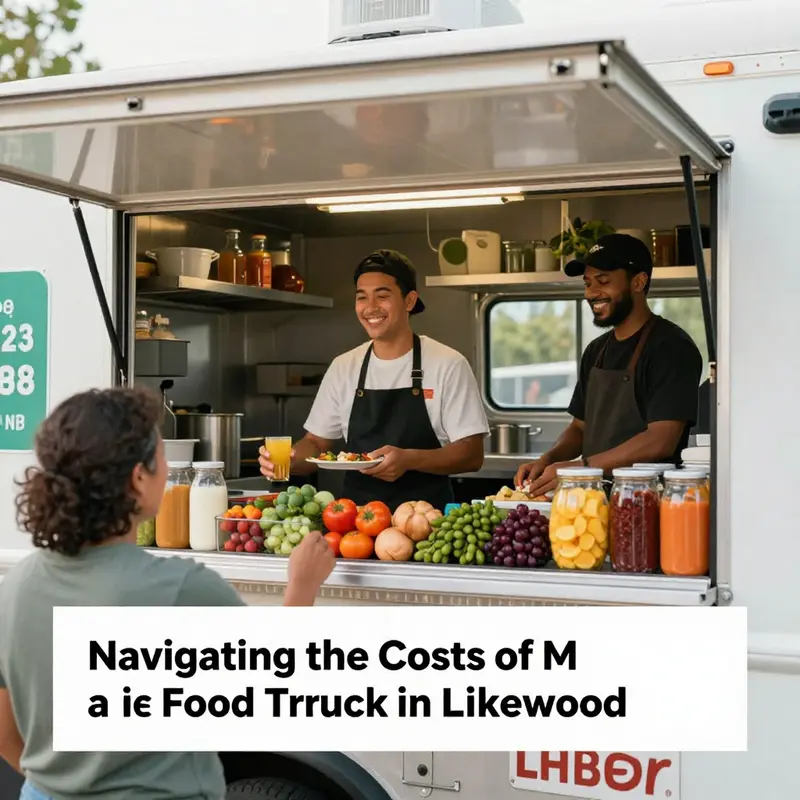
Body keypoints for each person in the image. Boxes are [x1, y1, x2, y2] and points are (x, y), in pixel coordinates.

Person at [0, 387, 335, 800]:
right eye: (162, 458)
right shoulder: (181, 589)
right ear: (138, 479)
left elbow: (5, 733)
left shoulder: (15, 587)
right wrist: (302, 586)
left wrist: (63, 785)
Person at [259, 249, 489, 510]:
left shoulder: (448, 363)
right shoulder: (344, 366)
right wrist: (287, 461)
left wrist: (409, 459)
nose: (370, 307)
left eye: (382, 295)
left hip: (427, 520)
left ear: (410, 301)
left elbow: (471, 454)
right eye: (362, 297)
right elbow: (316, 442)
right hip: (356, 521)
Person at [515, 233, 703, 496]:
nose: (591, 293)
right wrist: (547, 460)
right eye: (587, 283)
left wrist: (581, 469)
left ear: (638, 282)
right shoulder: (596, 350)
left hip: (646, 498)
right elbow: (579, 428)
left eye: (603, 281)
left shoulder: (672, 348)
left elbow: (660, 440)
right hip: (592, 498)